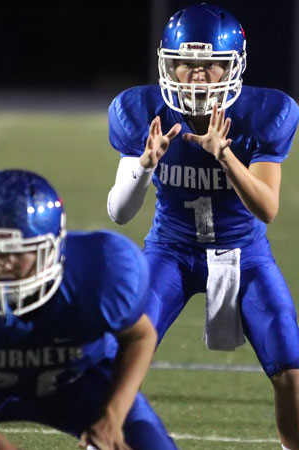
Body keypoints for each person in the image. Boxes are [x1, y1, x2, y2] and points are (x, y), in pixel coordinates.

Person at [107, 3, 299, 450]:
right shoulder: (143, 111)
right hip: (170, 250)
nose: (196, 76)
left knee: (291, 368)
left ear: (232, 66)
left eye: (210, 65)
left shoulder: (265, 113)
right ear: (167, 64)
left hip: (243, 252)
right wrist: (145, 164)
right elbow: (119, 211)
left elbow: (267, 208)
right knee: (116, 358)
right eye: (185, 64)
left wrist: (224, 154)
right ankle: (108, 439)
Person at [0, 169, 178, 450]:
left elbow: (140, 336)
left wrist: (112, 418)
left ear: (53, 250)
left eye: (15, 252)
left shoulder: (98, 273)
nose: (1, 265)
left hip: (78, 382)